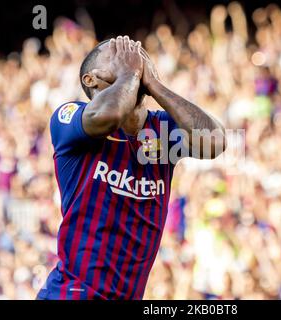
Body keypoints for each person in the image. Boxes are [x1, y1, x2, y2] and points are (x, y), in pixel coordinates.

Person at [36, 35, 226, 300]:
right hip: (71, 294)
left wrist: (155, 84)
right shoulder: (70, 118)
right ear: (90, 79)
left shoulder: (162, 131)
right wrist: (130, 73)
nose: (133, 57)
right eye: (118, 54)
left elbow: (215, 142)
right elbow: (109, 116)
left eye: (137, 54)